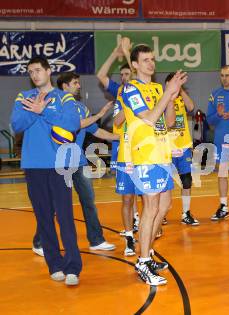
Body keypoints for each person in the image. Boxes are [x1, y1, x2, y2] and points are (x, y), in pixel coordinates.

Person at [10, 56, 82, 286]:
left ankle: (72, 266)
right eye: (30, 71)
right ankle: (55, 264)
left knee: (65, 217)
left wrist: (44, 111)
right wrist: (36, 110)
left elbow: (72, 123)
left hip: (60, 166)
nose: (34, 74)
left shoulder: (64, 97)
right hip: (33, 165)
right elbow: (16, 124)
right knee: (44, 218)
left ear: (48, 71)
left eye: (38, 70)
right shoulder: (23, 97)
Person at [120, 44, 186, 285]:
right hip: (145, 154)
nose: (151, 63)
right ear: (135, 65)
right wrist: (168, 94)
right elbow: (148, 118)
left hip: (163, 152)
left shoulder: (158, 88)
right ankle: (142, 261)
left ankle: (145, 253)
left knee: (165, 205)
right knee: (150, 208)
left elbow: (168, 121)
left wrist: (171, 95)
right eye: (145, 60)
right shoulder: (131, 88)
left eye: (152, 59)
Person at [32, 72, 118, 255]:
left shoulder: (81, 107)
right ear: (65, 86)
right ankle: (39, 242)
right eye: (75, 83)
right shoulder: (54, 105)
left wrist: (120, 137)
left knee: (89, 201)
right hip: (58, 164)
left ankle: (96, 240)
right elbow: (75, 124)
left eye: (78, 83)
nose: (79, 86)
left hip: (79, 163)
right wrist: (101, 113)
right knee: (54, 205)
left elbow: (96, 131)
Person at [96, 38, 140, 237]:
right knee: (127, 194)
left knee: (142, 189)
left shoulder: (140, 89)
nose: (123, 77)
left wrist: (129, 54)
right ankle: (132, 225)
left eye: (127, 73)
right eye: (121, 74)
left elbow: (138, 74)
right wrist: (116, 52)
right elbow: (101, 75)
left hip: (139, 147)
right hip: (121, 148)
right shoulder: (119, 91)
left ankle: (139, 218)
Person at [206, 65, 229, 220]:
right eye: (222, 75)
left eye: (227, 75)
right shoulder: (215, 94)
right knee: (222, 173)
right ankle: (223, 206)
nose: (224, 78)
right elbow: (209, 119)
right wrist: (219, 115)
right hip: (221, 140)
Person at [165, 73, 199, 226]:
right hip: (167, 148)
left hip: (183, 147)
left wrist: (181, 89)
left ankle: (185, 213)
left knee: (187, 181)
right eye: (172, 83)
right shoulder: (162, 99)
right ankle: (162, 213)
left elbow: (192, 107)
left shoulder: (181, 98)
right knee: (165, 184)